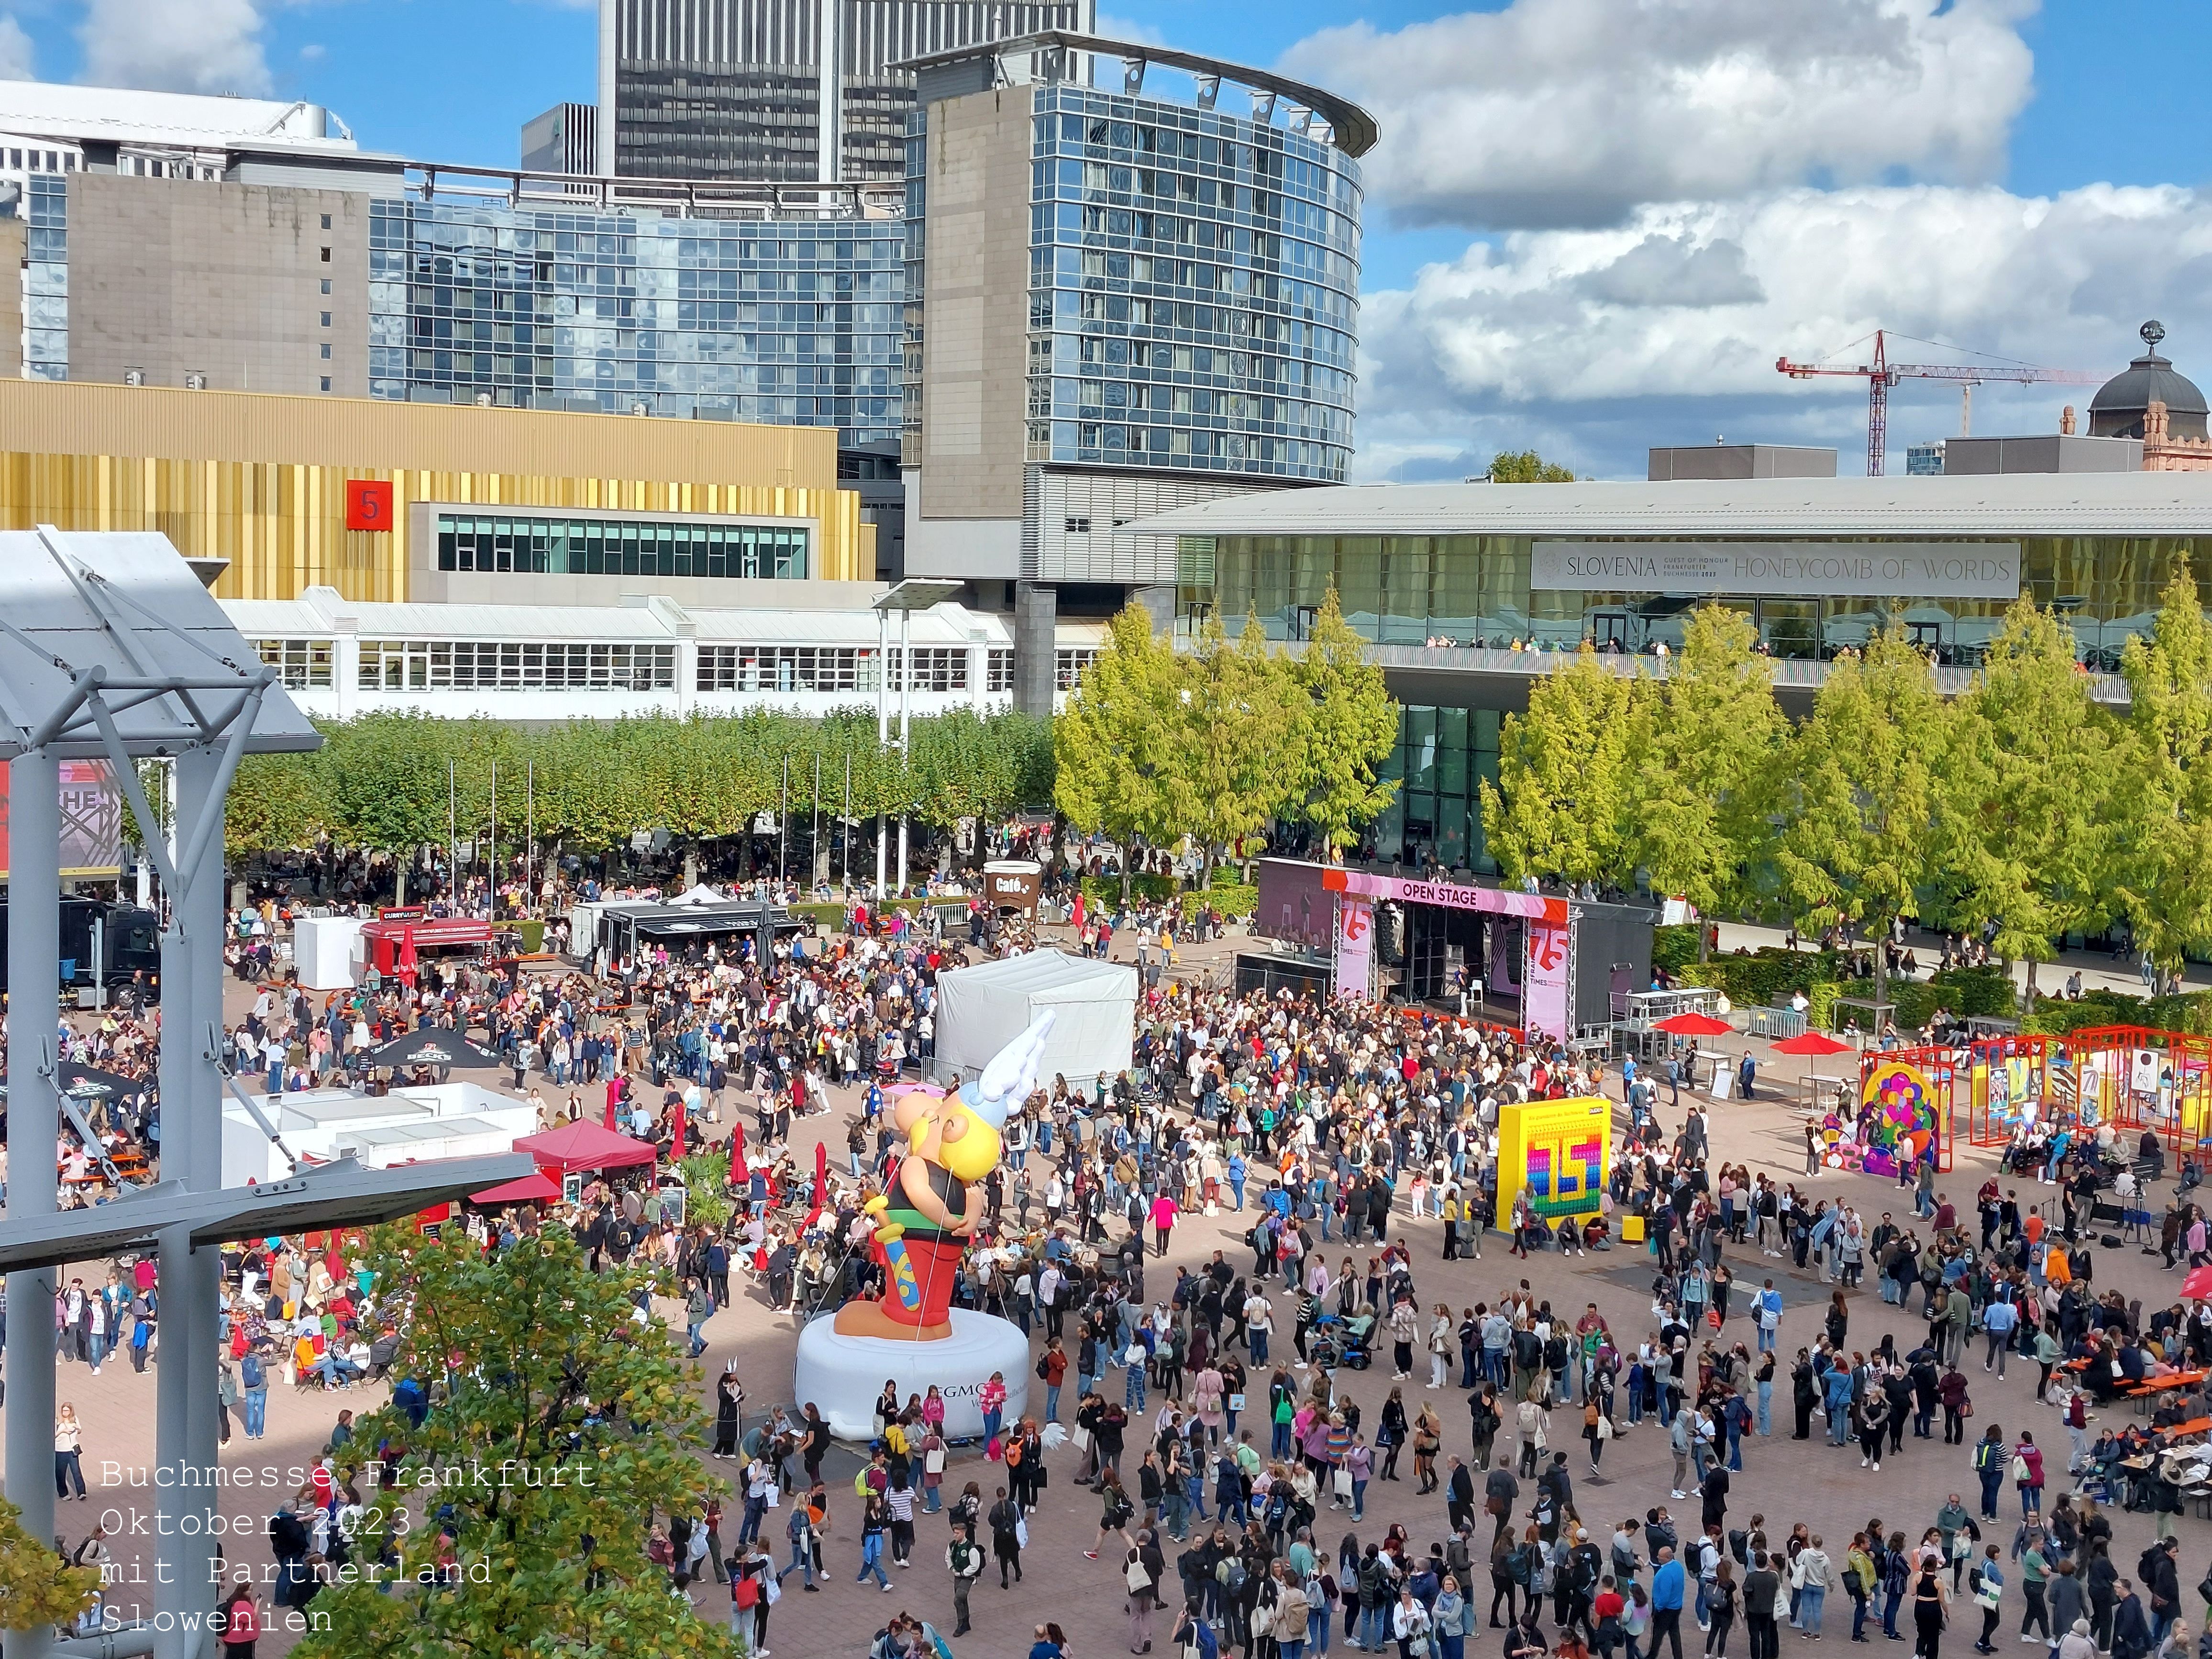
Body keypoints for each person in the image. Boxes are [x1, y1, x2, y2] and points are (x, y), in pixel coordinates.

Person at [947, 1523, 983, 1638]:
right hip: (957, 1576)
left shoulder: (971, 1548)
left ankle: (961, 1624)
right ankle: (966, 1623)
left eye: (957, 1533)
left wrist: (964, 1573)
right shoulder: (953, 1545)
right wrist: (953, 1568)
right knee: (963, 1600)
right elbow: (948, 1557)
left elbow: (975, 1565)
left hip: (967, 1578)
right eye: (955, 1533)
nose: (955, 1535)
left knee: (958, 1600)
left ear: (963, 1533)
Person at [1911, 1559, 1949, 1659]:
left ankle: (1918, 1653)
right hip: (1933, 1608)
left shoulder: (1918, 1577)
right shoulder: (1938, 1582)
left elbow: (1913, 1592)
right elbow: (1941, 1600)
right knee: (1934, 1636)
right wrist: (1947, 1612)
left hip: (1920, 1606)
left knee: (1921, 1631)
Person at [217, 1585, 260, 1659]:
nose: (251, 1592)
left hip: (235, 1638)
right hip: (241, 1639)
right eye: (249, 1590)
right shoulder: (242, 1604)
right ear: (243, 1592)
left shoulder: (235, 1601)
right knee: (247, 1656)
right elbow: (252, 1617)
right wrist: (258, 1604)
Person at [55, 1405, 87, 1501]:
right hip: (61, 1451)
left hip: (72, 1449)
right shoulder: (57, 1422)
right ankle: (63, 1493)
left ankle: (82, 1492)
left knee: (76, 1471)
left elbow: (80, 1431)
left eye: (67, 1411)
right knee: (61, 1473)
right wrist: (63, 1431)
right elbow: (52, 1436)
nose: (65, 1413)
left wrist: (77, 1428)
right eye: (64, 1411)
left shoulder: (75, 1419)